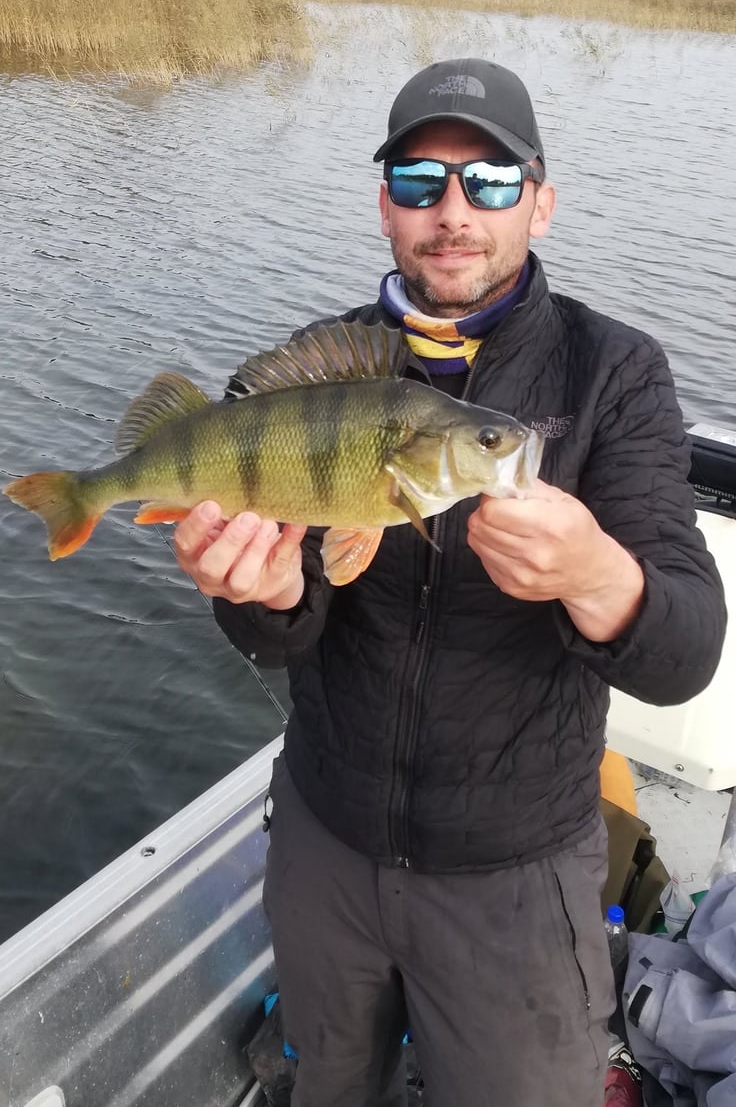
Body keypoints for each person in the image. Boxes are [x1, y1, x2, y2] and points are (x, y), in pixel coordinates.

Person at [174, 58, 727, 1106]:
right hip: (322, 839)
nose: (454, 213)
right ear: (386, 205)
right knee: (328, 1086)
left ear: (542, 200)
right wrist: (262, 592)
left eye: (492, 180)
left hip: (515, 876)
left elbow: (688, 648)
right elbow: (273, 632)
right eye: (421, 183)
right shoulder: (315, 367)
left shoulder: (615, 374)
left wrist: (601, 578)